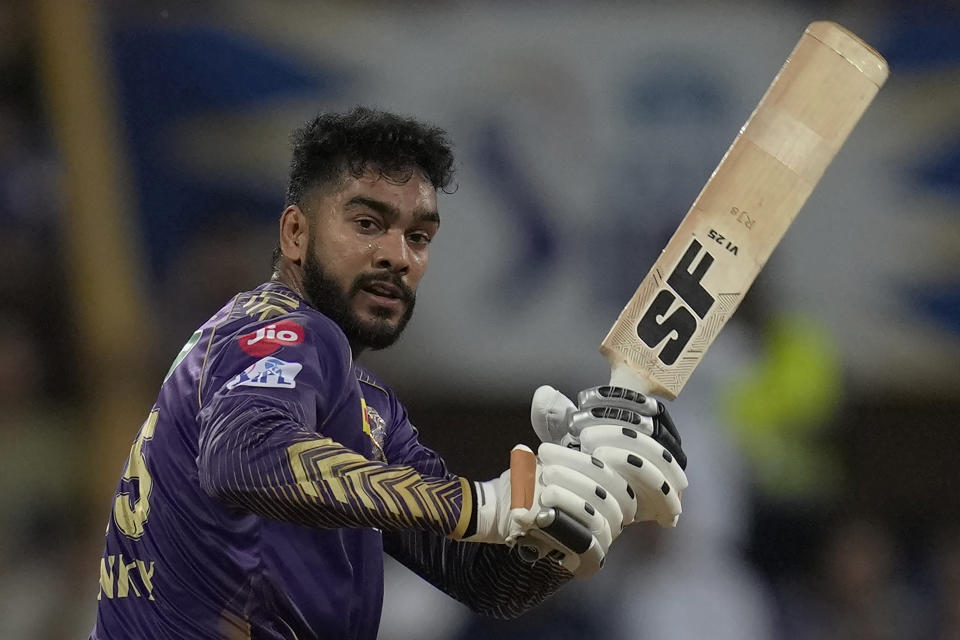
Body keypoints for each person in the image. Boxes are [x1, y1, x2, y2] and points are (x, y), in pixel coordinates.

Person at [91, 107, 689, 639]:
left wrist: (568, 516)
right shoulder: (284, 330)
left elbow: (485, 585)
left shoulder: (367, 406)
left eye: (419, 235)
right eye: (367, 223)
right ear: (295, 234)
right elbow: (244, 457)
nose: (397, 256)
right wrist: (481, 505)